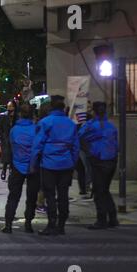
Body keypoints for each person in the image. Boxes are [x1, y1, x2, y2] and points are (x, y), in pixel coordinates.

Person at [30, 97, 80, 236]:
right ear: (63, 108)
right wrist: (73, 162)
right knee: (63, 195)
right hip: (66, 164)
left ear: (51, 108)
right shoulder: (71, 124)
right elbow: (76, 147)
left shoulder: (45, 122)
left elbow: (37, 145)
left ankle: (52, 224)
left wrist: (33, 163)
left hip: (49, 164)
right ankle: (61, 225)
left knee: (50, 195)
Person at [79, 102, 119, 229]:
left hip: (99, 161)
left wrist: (89, 151)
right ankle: (113, 217)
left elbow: (79, 136)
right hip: (112, 160)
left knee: (99, 191)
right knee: (105, 190)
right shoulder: (111, 126)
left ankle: (101, 220)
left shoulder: (92, 126)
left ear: (94, 112)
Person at [2, 104, 39, 234]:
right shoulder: (36, 129)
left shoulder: (15, 130)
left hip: (17, 165)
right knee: (32, 197)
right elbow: (37, 148)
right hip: (33, 167)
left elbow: (11, 147)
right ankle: (28, 223)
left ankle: (8, 224)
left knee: (13, 196)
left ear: (20, 114)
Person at [0, 100, 18, 181]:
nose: (9, 108)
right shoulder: (3, 116)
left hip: (15, 139)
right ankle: (4, 170)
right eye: (8, 106)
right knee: (6, 156)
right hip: (6, 139)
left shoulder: (17, 116)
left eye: (11, 106)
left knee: (13, 156)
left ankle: (11, 171)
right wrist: (3, 136)